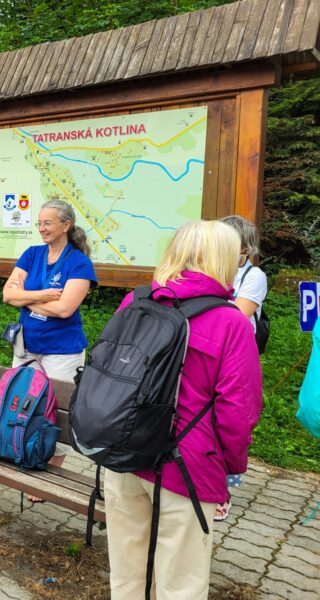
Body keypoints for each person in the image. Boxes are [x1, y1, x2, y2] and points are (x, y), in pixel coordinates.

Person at [105, 220, 262, 600]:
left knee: (128, 574)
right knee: (182, 584)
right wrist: (230, 469)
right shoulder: (230, 322)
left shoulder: (135, 301)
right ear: (224, 259)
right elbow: (236, 412)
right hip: (187, 468)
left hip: (124, 454)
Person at [2, 199, 96, 380]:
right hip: (26, 348)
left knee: (57, 405)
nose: (41, 228)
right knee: (20, 403)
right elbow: (7, 294)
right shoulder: (32, 254)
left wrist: (23, 299)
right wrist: (42, 295)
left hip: (62, 352)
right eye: (39, 223)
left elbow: (64, 310)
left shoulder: (79, 263)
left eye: (47, 223)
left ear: (66, 225)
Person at [214, 214, 268, 521]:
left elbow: (236, 315)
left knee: (229, 421)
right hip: (209, 356)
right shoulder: (213, 270)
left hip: (234, 361)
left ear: (243, 247)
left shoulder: (254, 277)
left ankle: (223, 491)